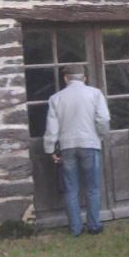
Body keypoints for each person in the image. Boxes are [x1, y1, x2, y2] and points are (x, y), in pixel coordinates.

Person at [43, 64, 111, 237]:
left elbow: (52, 129)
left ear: (66, 78)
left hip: (67, 146)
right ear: (84, 78)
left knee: (70, 188)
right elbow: (103, 119)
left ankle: (75, 228)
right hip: (90, 143)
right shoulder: (95, 94)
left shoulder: (56, 98)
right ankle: (94, 226)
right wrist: (100, 136)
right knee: (93, 187)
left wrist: (50, 149)